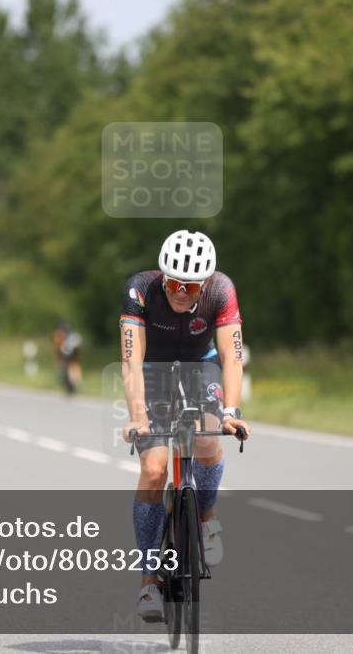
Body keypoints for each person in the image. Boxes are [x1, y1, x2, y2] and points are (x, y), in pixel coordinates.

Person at [119, 229, 251, 622]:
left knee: (209, 441)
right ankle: (148, 583)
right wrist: (138, 418)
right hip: (152, 371)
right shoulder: (139, 290)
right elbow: (131, 361)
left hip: (201, 364)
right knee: (155, 468)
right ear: (163, 277)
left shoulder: (222, 290)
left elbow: (232, 356)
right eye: (174, 282)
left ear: (206, 283)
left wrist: (231, 412)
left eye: (191, 286)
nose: (181, 292)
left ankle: (207, 516)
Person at [52, 320, 83, 394]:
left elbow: (58, 348)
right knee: (74, 367)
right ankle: (76, 382)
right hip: (73, 354)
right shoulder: (75, 335)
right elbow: (78, 346)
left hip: (66, 354)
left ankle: (73, 381)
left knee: (68, 367)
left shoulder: (60, 335)